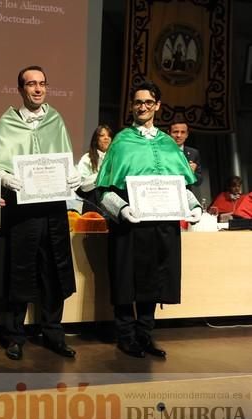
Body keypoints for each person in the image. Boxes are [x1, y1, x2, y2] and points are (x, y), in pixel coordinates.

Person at [96, 80, 201, 358]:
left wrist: (194, 207)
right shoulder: (121, 141)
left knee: (153, 280)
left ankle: (145, 335)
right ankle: (126, 335)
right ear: (132, 106)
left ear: (157, 106)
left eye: (148, 102)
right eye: (137, 102)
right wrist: (121, 209)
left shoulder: (168, 143)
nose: (142, 107)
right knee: (126, 279)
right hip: (130, 223)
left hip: (161, 224)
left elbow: (182, 183)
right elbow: (104, 188)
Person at [0, 65, 81, 361]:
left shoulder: (56, 120)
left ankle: (53, 333)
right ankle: (15, 336)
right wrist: (4, 177)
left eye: (42, 84)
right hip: (21, 213)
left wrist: (73, 176)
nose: (37, 89)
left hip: (52, 210)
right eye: (31, 84)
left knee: (54, 268)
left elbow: (65, 162)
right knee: (19, 271)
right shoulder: (6, 123)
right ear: (21, 89)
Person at [76, 125, 113, 213]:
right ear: (96, 139)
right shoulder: (87, 158)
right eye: (102, 135)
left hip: (111, 203)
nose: (106, 138)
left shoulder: (116, 158)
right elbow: (82, 185)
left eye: (109, 135)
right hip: (93, 202)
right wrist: (102, 175)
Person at [169, 121, 202, 187]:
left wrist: (192, 173)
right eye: (175, 132)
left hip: (185, 193)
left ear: (187, 135)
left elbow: (198, 183)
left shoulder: (193, 153)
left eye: (183, 132)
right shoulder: (161, 151)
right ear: (169, 133)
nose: (179, 135)